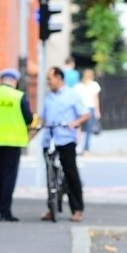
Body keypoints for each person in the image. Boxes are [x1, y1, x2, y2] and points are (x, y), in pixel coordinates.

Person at [38, 67, 90, 222]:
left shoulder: (72, 95)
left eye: (50, 79)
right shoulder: (48, 97)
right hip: (50, 139)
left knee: (71, 174)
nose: (48, 82)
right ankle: (52, 207)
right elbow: (42, 118)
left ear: (59, 78)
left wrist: (74, 123)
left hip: (66, 139)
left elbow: (85, 114)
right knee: (50, 175)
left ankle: (77, 209)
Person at [0, 68, 33, 222]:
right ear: (14, 81)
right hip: (13, 142)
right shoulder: (19, 96)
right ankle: (5, 212)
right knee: (8, 178)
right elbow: (29, 119)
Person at [74, 69, 101, 154]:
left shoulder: (78, 86)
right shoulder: (94, 85)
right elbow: (95, 99)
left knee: (78, 129)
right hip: (90, 108)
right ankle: (86, 148)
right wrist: (97, 111)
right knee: (88, 131)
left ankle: (78, 146)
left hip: (80, 109)